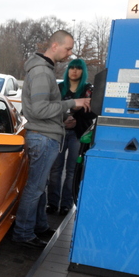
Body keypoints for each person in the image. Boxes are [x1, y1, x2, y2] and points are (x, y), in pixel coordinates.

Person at [11, 30, 91, 249]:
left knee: (39, 187)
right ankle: (23, 233)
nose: (70, 53)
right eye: (68, 48)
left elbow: (43, 109)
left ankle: (38, 226)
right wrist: (71, 104)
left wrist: (63, 118)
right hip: (43, 138)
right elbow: (38, 109)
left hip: (46, 135)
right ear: (55, 46)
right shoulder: (41, 73)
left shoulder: (44, 70)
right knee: (35, 188)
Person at [46, 58, 95, 216]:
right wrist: (64, 118)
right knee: (55, 169)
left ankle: (67, 204)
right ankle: (52, 203)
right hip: (59, 131)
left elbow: (93, 111)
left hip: (78, 134)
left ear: (83, 71)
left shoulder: (88, 90)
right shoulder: (60, 87)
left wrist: (75, 117)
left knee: (72, 170)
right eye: (72, 67)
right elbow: (51, 108)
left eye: (78, 68)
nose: (74, 71)